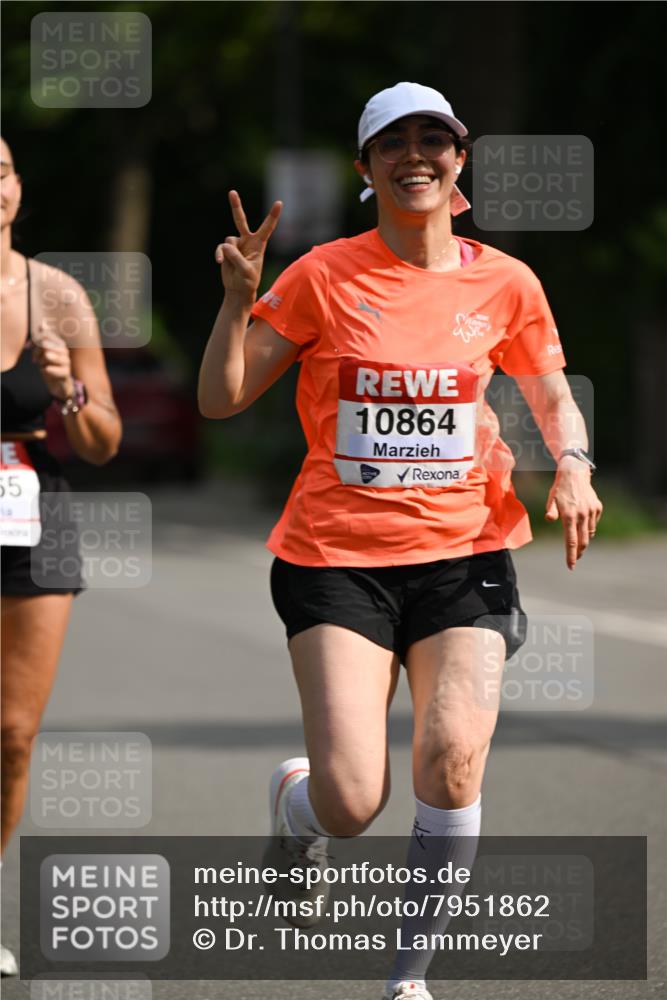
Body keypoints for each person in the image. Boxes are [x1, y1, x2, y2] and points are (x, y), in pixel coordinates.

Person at [198, 82, 603, 1000]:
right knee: (351, 802)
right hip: (335, 557)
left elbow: (548, 389)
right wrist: (237, 303)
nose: (415, 155)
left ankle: (407, 979)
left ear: (459, 160)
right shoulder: (322, 276)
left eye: (434, 139)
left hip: (465, 554)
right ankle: (297, 807)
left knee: (452, 760)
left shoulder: (505, 281)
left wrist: (572, 464)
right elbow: (222, 399)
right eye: (393, 142)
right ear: (366, 167)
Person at [0, 138, 122, 975]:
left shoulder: (58, 296)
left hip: (31, 515)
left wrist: (66, 391)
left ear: (17, 186)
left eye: (0, 173)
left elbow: (103, 440)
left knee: (12, 734)